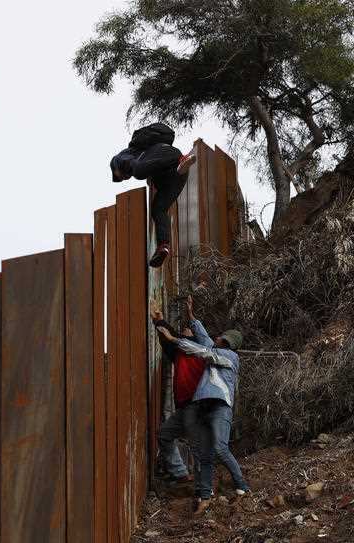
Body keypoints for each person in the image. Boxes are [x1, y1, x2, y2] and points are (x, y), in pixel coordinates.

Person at [156, 298, 249, 514]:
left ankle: (242, 485)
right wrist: (191, 314)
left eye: (220, 337)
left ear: (226, 342)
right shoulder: (215, 348)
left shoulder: (229, 357)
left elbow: (203, 350)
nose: (215, 338)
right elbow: (204, 337)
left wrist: (173, 339)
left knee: (220, 448)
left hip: (219, 407)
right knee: (203, 454)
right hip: (202, 407)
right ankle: (204, 496)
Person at [110, 123, 196, 267]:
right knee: (158, 209)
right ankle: (163, 246)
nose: (125, 178)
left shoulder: (121, 158)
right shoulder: (144, 156)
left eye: (122, 177)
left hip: (167, 155)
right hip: (176, 175)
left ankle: (179, 162)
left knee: (138, 171)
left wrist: (136, 170)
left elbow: (131, 165)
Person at [151, 302, 205, 485]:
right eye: (184, 330)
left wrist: (163, 323)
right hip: (184, 406)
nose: (186, 330)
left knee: (195, 442)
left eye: (188, 330)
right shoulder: (179, 353)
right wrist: (159, 321)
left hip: (196, 404)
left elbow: (174, 337)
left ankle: (203, 487)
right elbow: (169, 339)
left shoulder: (202, 354)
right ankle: (181, 473)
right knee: (165, 435)